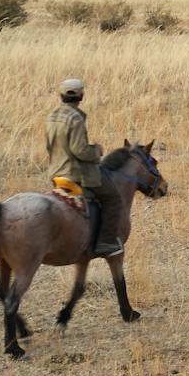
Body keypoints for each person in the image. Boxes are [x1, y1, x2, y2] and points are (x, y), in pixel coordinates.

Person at [46, 78, 124, 258]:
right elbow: (79, 150)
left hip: (56, 172)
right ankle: (105, 243)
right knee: (113, 199)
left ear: (61, 95)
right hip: (76, 174)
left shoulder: (52, 115)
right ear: (82, 95)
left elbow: (49, 145)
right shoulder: (75, 117)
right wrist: (96, 151)